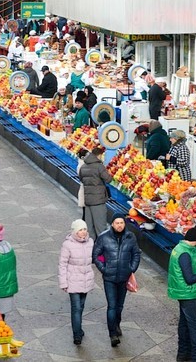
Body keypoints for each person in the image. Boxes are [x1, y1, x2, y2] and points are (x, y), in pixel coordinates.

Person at [92, 213, 141, 347]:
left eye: (122, 223)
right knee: (112, 306)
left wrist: (132, 268)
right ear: (112, 224)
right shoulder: (104, 237)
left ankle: (117, 324)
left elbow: (136, 253)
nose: (119, 225)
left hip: (124, 277)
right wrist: (104, 268)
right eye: (117, 223)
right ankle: (112, 333)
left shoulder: (130, 237)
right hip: (109, 278)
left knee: (119, 306)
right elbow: (96, 255)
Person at [168, 224, 196, 362]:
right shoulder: (185, 253)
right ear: (193, 240)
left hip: (181, 292)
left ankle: (182, 354)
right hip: (187, 293)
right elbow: (189, 279)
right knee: (195, 326)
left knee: (184, 324)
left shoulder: (179, 248)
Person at [59, 219, 95, 345]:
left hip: (86, 281)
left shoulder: (90, 242)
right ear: (75, 231)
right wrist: (63, 282)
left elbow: (96, 256)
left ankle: (78, 328)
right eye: (80, 230)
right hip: (73, 281)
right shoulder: (67, 245)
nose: (83, 232)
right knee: (76, 308)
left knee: (81, 307)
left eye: (84, 229)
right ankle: (77, 334)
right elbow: (62, 264)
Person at [79, 147, 112, 239]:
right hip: (98, 200)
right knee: (101, 228)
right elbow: (108, 179)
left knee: (90, 228)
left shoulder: (83, 166)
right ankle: (103, 250)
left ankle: (90, 248)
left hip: (88, 200)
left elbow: (82, 179)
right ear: (99, 155)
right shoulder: (99, 166)